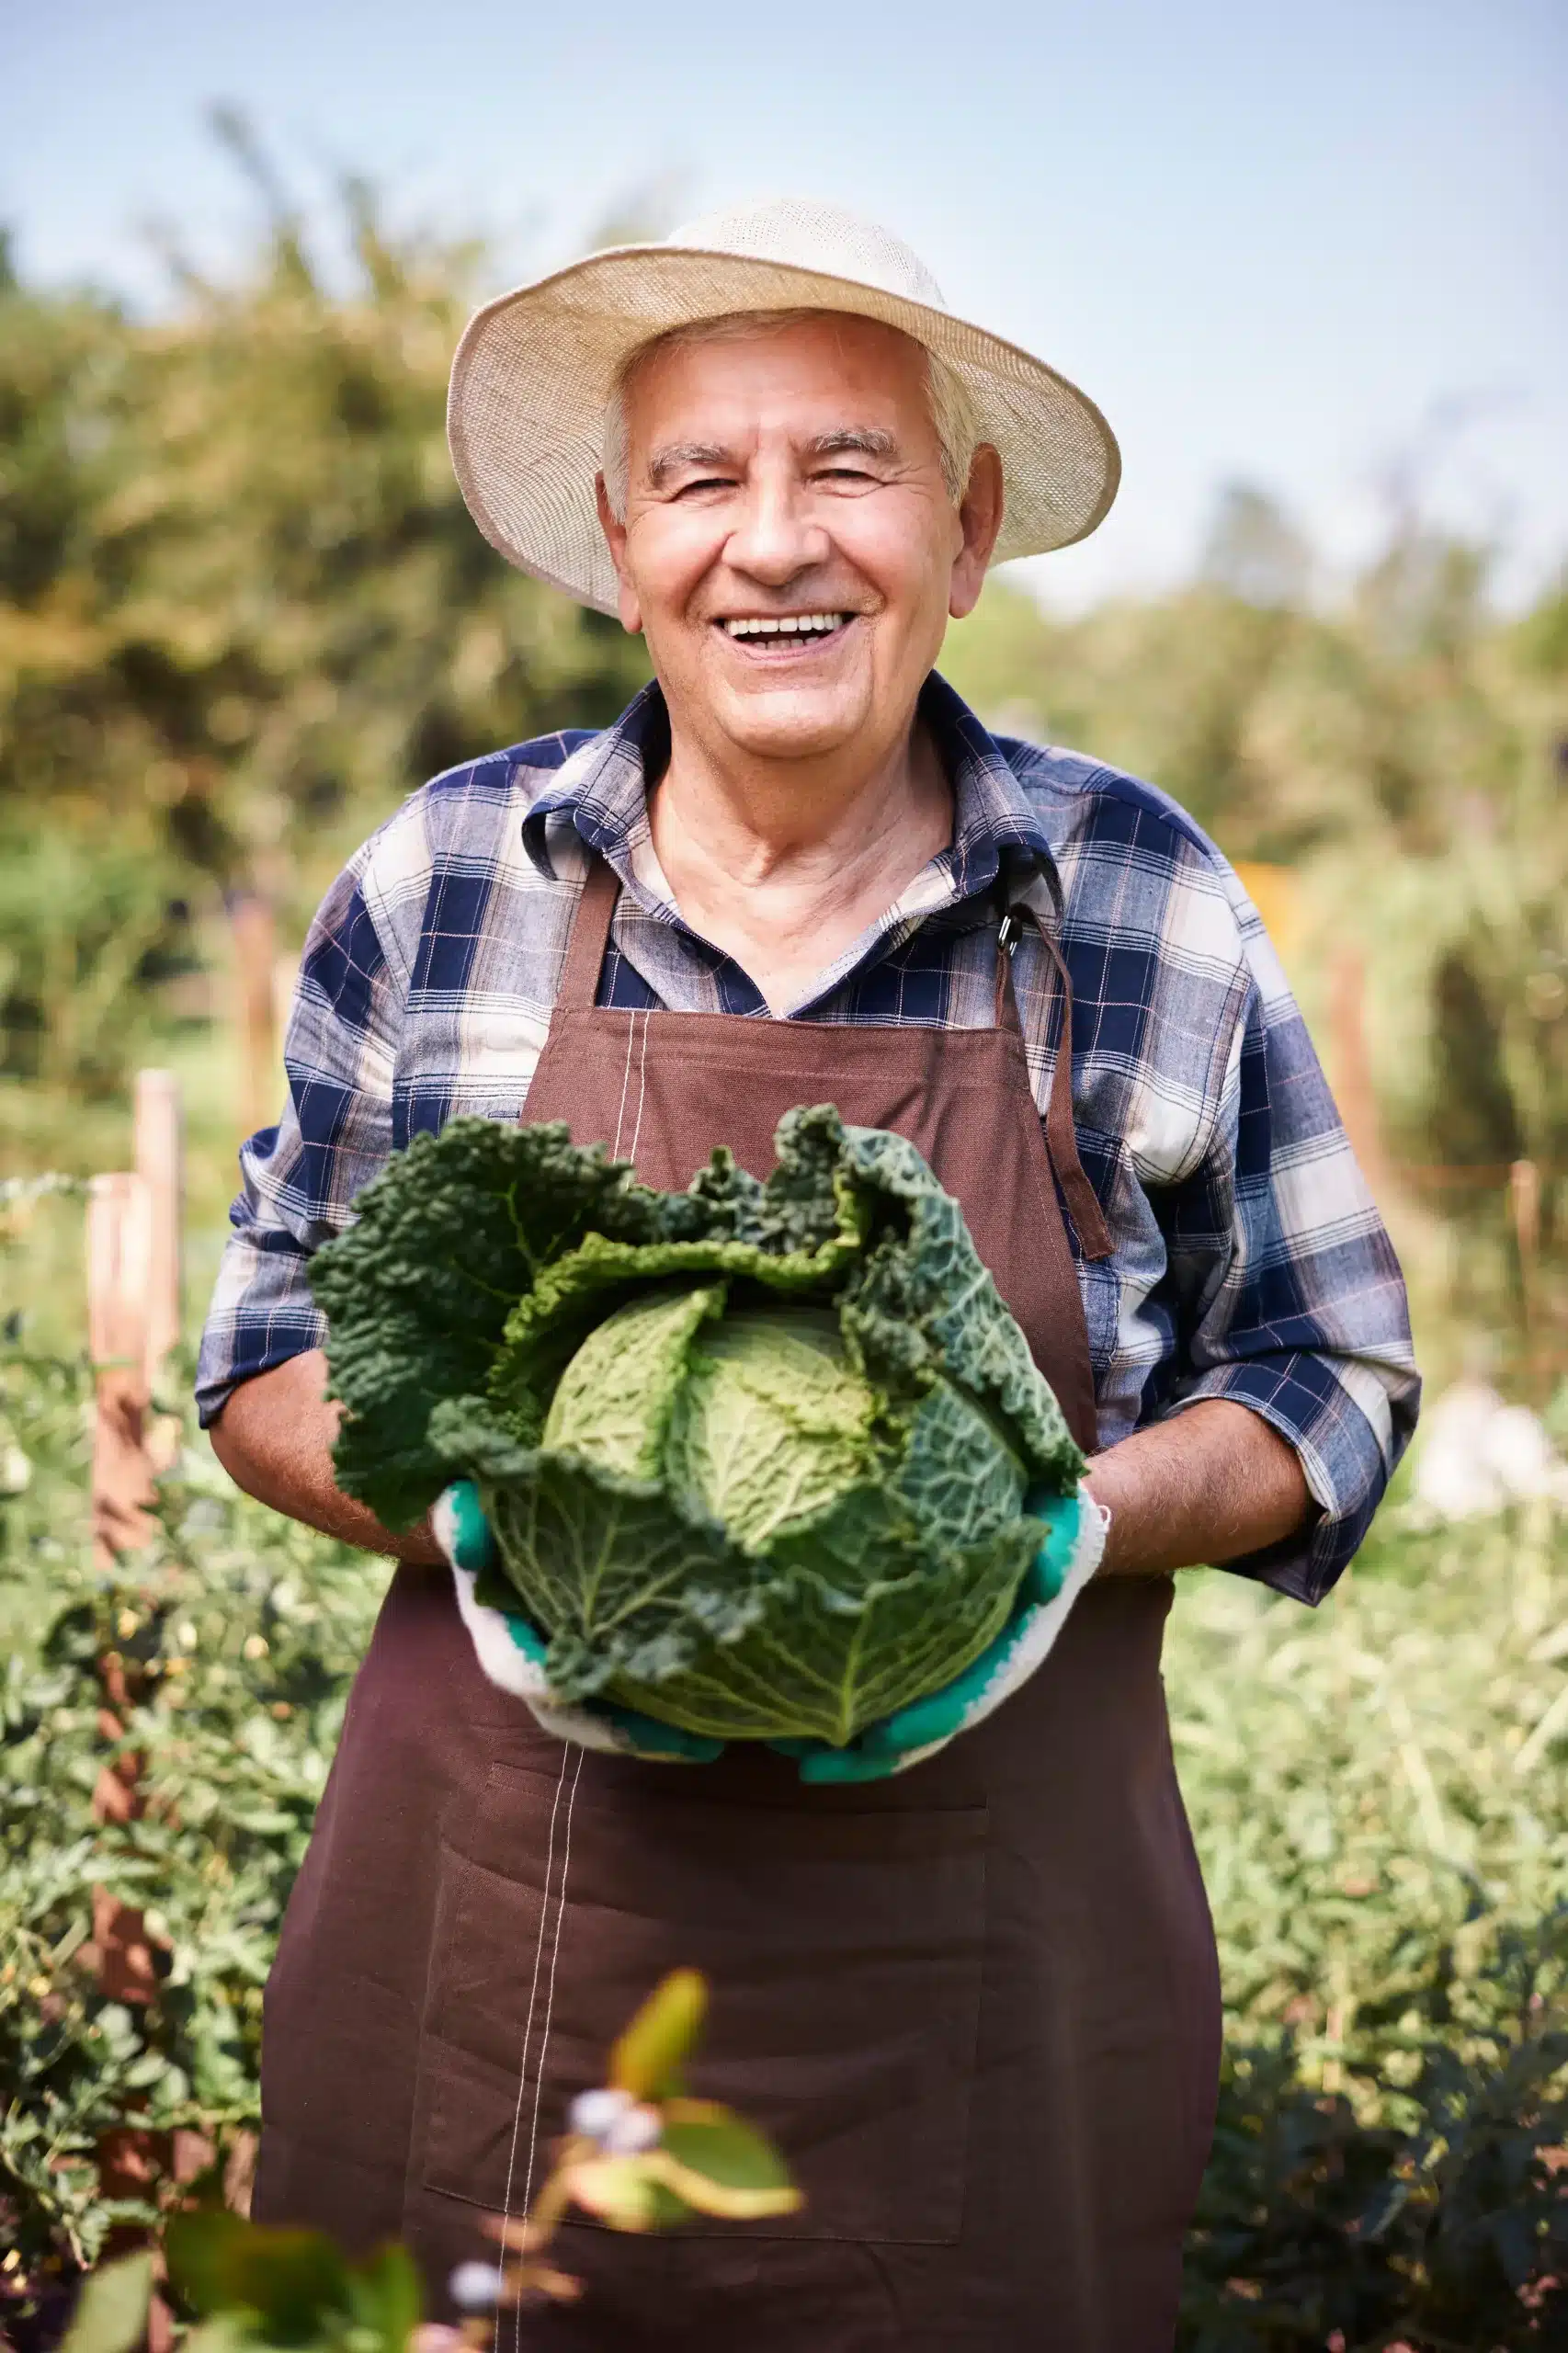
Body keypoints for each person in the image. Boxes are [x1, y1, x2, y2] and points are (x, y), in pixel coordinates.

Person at [198, 200, 1419, 2352]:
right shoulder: (444, 879)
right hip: (503, 1961)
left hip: (983, 2005)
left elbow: (1326, 1369)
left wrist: (1064, 1533)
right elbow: (265, 1357)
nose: (775, 542)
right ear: (616, 540)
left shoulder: (1139, 894)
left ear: (957, 530)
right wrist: (505, 1519)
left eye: (846, 468)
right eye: (700, 480)